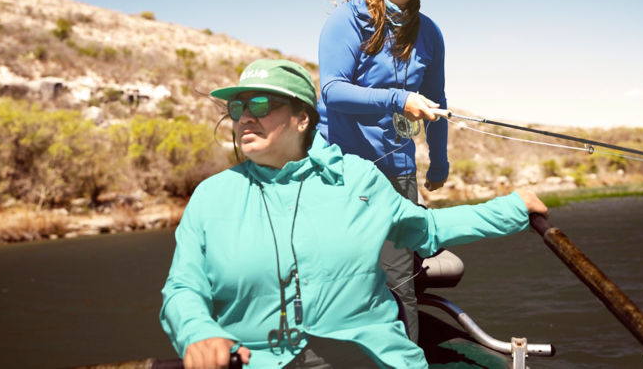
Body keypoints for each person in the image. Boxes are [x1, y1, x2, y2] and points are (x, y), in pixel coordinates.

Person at [160, 58, 548, 369]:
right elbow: (183, 289)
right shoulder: (211, 197)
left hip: (371, 356)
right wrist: (198, 332)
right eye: (237, 106)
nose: (245, 116)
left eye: (260, 104)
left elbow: (427, 229)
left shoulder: (358, 179)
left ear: (302, 118)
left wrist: (513, 208)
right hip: (255, 359)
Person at [316, 0, 447, 341]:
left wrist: (439, 160)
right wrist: (398, 98)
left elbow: (437, 99)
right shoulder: (346, 20)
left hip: (399, 170)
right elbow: (332, 91)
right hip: (346, 171)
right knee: (351, 276)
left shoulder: (429, 32)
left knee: (399, 285)